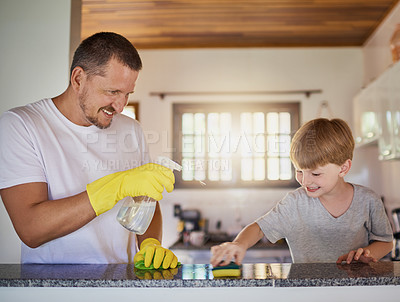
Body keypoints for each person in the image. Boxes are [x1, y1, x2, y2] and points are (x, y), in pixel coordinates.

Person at [0, 32, 177, 268]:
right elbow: (31, 229)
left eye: (127, 94)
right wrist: (115, 186)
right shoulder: (22, 125)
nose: (120, 106)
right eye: (112, 92)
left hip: (121, 284)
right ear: (78, 79)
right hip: (52, 288)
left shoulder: (131, 130)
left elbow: (146, 202)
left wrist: (150, 243)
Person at [210, 118, 393, 266]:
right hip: (307, 293)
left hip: (356, 292)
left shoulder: (368, 200)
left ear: (343, 168)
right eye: (299, 171)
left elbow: (386, 242)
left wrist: (368, 253)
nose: (305, 181)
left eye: (315, 173)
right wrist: (238, 244)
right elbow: (258, 229)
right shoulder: (295, 202)